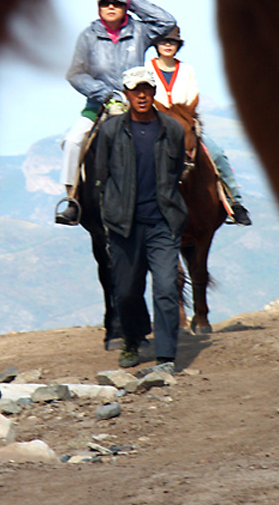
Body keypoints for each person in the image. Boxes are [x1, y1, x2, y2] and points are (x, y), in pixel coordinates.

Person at [56, 0, 176, 225]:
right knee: (73, 141)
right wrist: (104, 94)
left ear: (125, 7)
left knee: (172, 137)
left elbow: (167, 23)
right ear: (98, 7)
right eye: (105, 3)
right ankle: (72, 200)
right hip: (98, 104)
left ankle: (172, 195)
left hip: (138, 103)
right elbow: (75, 73)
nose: (111, 7)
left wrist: (133, 1)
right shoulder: (88, 36)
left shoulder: (141, 31)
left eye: (117, 3)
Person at [95, 66, 188, 372]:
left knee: (165, 288)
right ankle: (133, 339)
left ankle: (165, 356)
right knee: (126, 291)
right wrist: (111, 214)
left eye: (146, 89)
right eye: (136, 90)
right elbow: (102, 175)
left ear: (154, 92)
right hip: (125, 226)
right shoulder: (110, 131)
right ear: (126, 94)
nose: (142, 95)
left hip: (162, 222)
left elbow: (174, 174)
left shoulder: (172, 130)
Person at [147, 26, 252, 226]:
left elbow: (191, 96)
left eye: (172, 42)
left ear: (178, 45)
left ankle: (234, 203)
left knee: (217, 154)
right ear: (156, 45)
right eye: (163, 41)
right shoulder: (148, 69)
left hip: (186, 123)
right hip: (157, 126)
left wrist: (181, 115)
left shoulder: (186, 70)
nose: (168, 45)